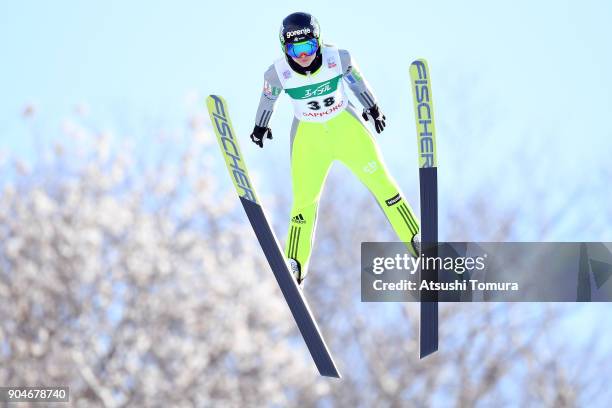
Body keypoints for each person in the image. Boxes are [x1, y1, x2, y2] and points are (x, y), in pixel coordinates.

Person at [251, 12, 420, 286]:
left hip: (346, 130)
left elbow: (358, 83)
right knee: (304, 201)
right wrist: (260, 126)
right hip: (309, 138)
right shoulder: (277, 73)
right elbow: (267, 101)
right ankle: (295, 263)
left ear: (318, 42)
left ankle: (414, 239)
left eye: (308, 47)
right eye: (295, 49)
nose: (303, 55)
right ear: (285, 49)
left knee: (382, 183)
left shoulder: (338, 59)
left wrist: (372, 109)